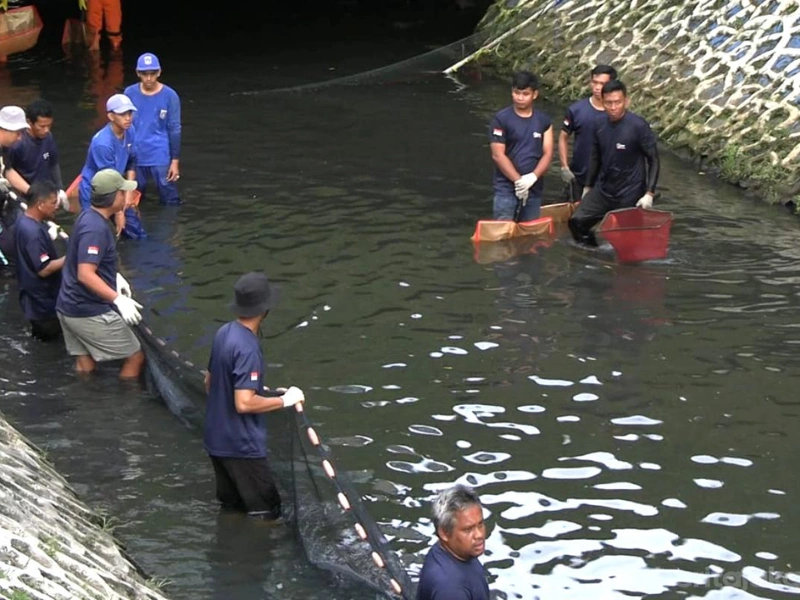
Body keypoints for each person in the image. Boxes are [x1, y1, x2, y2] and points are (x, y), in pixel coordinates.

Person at [203, 272, 306, 519]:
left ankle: (228, 553)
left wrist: (266, 393)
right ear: (264, 310)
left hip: (216, 441)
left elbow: (210, 381)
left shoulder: (224, 332)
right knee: (266, 513)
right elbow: (244, 402)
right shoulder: (248, 348)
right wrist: (284, 401)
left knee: (232, 508)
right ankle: (253, 555)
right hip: (242, 448)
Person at [56, 169, 145, 378]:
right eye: (123, 192)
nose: (126, 195)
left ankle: (84, 400)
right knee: (135, 355)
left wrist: (112, 275)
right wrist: (117, 299)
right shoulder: (95, 229)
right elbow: (85, 274)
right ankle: (126, 404)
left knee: (85, 362)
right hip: (86, 310)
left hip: (67, 305)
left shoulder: (87, 216)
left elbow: (82, 258)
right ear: (114, 197)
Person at [568, 79, 660, 246]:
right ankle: (592, 254)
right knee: (577, 222)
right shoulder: (599, 123)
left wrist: (649, 193)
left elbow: (653, 160)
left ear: (626, 101)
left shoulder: (638, 126)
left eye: (617, 102)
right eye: (608, 103)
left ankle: (627, 265)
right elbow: (595, 156)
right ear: (602, 102)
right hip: (604, 189)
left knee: (626, 238)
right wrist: (588, 187)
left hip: (630, 191)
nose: (613, 107)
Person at [488, 70, 553, 222]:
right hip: (506, 188)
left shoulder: (543, 121)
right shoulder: (501, 119)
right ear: (512, 92)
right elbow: (498, 155)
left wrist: (532, 177)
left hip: (534, 189)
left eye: (525, 94)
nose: (520, 98)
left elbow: (548, 153)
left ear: (534, 94)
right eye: (517, 93)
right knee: (502, 232)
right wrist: (518, 181)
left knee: (530, 234)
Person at [78, 93, 145, 239]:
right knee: (95, 233)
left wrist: (129, 195)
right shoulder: (102, 143)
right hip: (96, 191)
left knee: (137, 234)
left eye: (129, 113)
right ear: (111, 116)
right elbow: (108, 181)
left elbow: (132, 161)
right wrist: (119, 212)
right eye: (122, 114)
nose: (128, 118)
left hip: (118, 185)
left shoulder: (130, 130)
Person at [124, 53, 183, 206]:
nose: (149, 78)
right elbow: (122, 125)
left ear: (159, 72)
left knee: (169, 195)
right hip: (136, 153)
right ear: (138, 73)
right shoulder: (129, 93)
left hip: (160, 154)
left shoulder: (170, 96)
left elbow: (174, 129)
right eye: (144, 74)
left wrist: (174, 161)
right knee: (135, 196)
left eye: (152, 73)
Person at [417, 484, 490, 600]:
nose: (479, 535)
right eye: (468, 529)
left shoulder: (455, 551)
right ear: (444, 533)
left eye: (480, 524)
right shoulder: (450, 590)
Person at [14, 180, 65, 341]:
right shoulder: (33, 232)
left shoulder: (23, 222)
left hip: (33, 300)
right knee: (52, 345)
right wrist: (71, 258)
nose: (57, 206)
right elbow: (44, 269)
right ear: (40, 204)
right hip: (44, 304)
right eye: (53, 202)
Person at [558, 64, 618, 201]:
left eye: (602, 84)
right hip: (579, 176)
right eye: (594, 82)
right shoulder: (577, 110)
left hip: (607, 180)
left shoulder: (617, 114)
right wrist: (564, 166)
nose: (597, 87)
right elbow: (563, 137)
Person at [4, 99, 69, 209]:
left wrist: (59, 188)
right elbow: (8, 170)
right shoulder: (16, 144)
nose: (46, 130)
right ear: (29, 122)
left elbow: (53, 164)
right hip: (26, 197)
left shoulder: (48, 138)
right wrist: (31, 193)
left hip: (45, 194)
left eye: (49, 126)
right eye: (42, 126)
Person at [0, 105, 29, 276]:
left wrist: (33, 192)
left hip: (4, 202)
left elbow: (8, 171)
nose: (19, 138)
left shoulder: (4, 149)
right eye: (17, 133)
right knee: (8, 262)